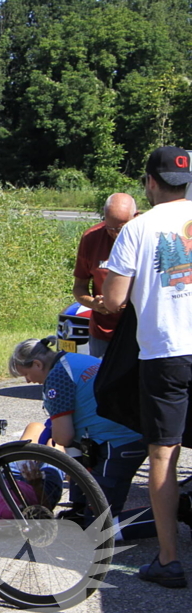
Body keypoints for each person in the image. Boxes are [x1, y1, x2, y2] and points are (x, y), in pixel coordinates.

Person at [102, 146, 192, 588]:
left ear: (150, 182)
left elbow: (114, 300)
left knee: (163, 454)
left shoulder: (137, 228)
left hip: (165, 353)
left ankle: (168, 560)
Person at [7, 338, 192, 541]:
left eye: (26, 374)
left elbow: (63, 437)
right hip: (133, 432)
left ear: (37, 364)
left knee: (98, 532)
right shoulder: (76, 359)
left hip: (116, 444)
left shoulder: (57, 378)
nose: (28, 381)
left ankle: (178, 510)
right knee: (77, 455)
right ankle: (80, 510)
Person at [72, 193, 138, 357]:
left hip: (140, 331)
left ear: (136, 217)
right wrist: (93, 303)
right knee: (100, 373)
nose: (116, 235)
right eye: (110, 229)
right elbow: (79, 287)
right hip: (103, 333)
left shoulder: (149, 235)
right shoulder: (91, 238)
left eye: (121, 229)